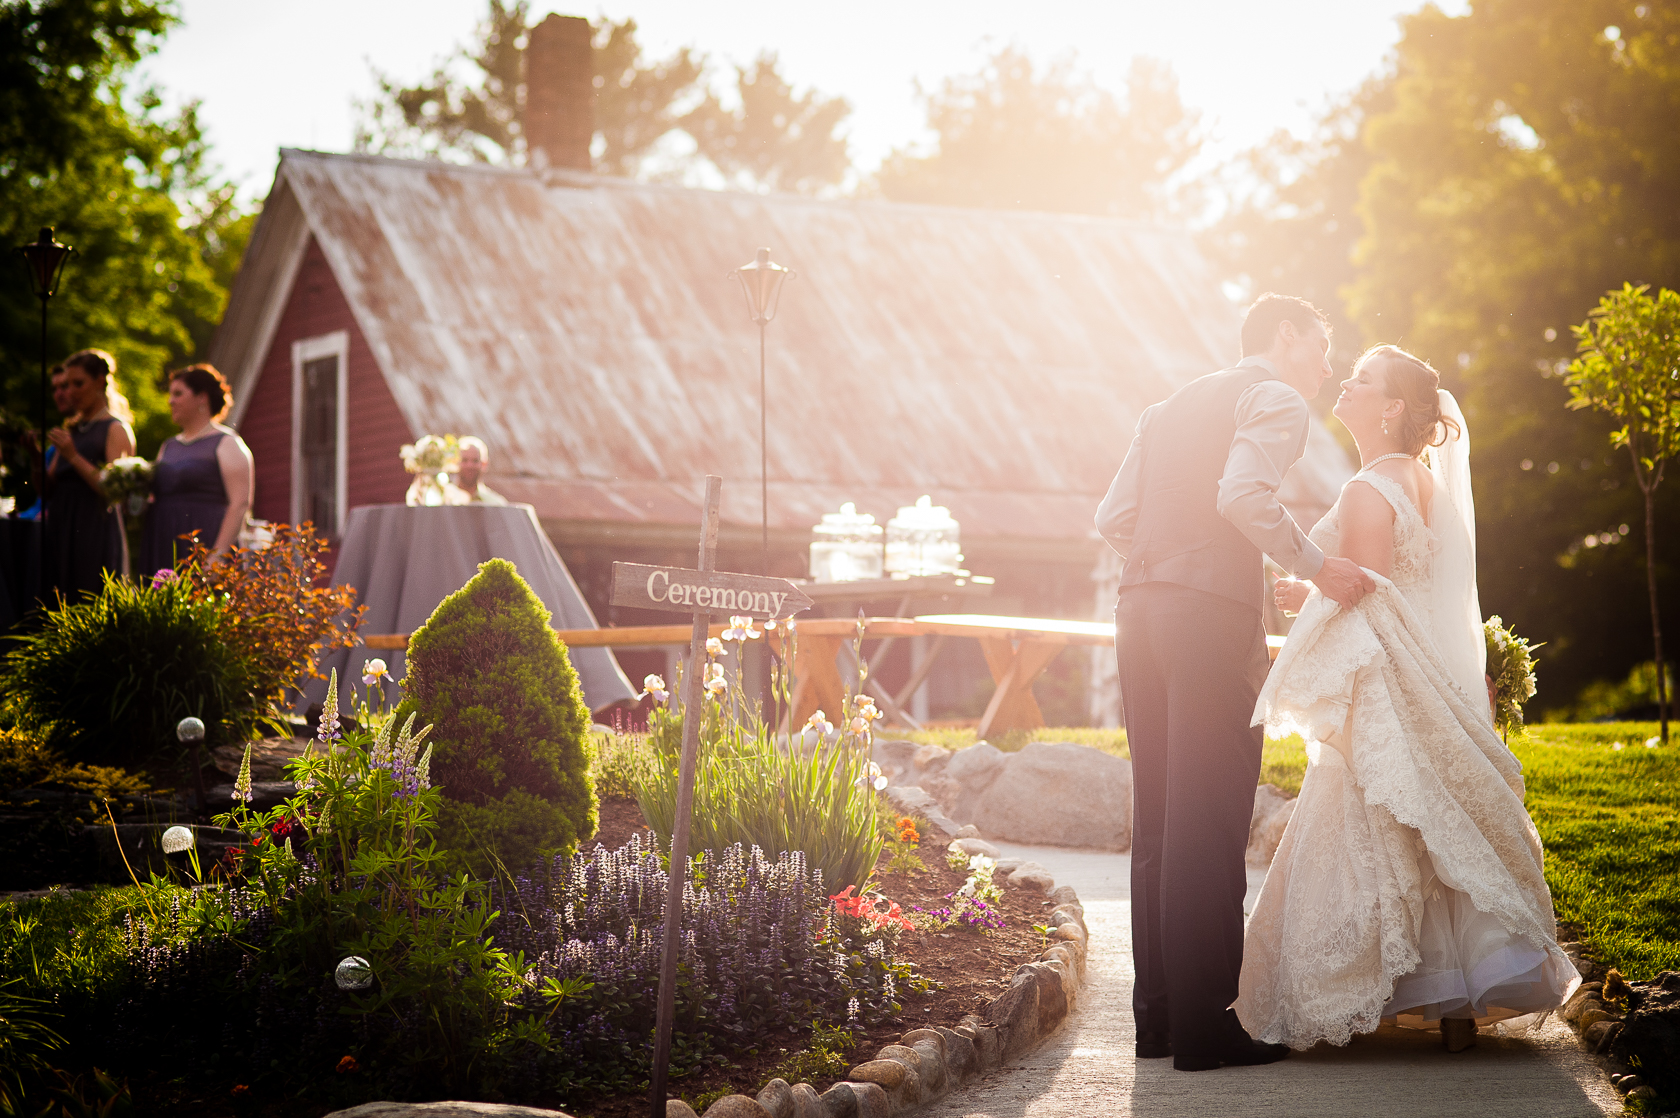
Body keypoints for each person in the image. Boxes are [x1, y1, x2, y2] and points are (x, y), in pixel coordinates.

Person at [1235, 345, 1578, 1052]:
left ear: (1392, 407)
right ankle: (1457, 1007)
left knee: (1384, 815)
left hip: (1388, 680)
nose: (1346, 385)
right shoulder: (1425, 484)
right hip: (1433, 679)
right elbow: (1422, 591)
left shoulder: (1367, 489)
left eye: (1362, 379)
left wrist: (1307, 591)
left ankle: (1372, 992)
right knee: (1439, 816)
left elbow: (1370, 598)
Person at [1095, 294, 1375, 1072]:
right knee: (1208, 815)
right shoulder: (1274, 397)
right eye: (1321, 346)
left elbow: (1114, 517)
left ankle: (1156, 1022)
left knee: (1155, 815)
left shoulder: (1165, 407)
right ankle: (1208, 1029)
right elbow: (1242, 496)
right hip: (1203, 617)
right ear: (1284, 338)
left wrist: (1167, 561)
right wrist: (1318, 567)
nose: (1327, 366)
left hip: (1139, 607)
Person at [140, 364, 254, 576]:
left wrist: (216, 557)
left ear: (202, 397)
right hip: (162, 543)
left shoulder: (227, 443)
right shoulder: (168, 446)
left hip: (204, 546)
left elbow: (240, 504)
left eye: (178, 394)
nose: (170, 400)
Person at [44, 349, 135, 599]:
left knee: (87, 599)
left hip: (93, 529)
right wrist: (34, 457)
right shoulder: (72, 429)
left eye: (78, 383)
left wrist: (73, 456)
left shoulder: (115, 429)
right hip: (62, 525)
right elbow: (47, 490)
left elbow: (113, 491)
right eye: (66, 385)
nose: (70, 391)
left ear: (99, 382)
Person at [446, 436, 507, 505]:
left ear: (484, 464)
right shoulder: (443, 499)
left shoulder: (495, 504)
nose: (469, 465)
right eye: (464, 460)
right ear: (455, 462)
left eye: (475, 461)